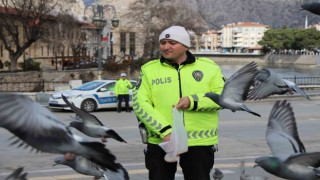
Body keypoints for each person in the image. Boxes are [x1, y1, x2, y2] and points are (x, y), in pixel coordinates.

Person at [133, 25, 225, 180]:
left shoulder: (209, 68)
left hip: (199, 142)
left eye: (172, 43)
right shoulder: (149, 70)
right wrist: (165, 131)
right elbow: (140, 104)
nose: (166, 47)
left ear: (185, 46)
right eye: (163, 42)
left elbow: (223, 98)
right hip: (161, 141)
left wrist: (193, 101)